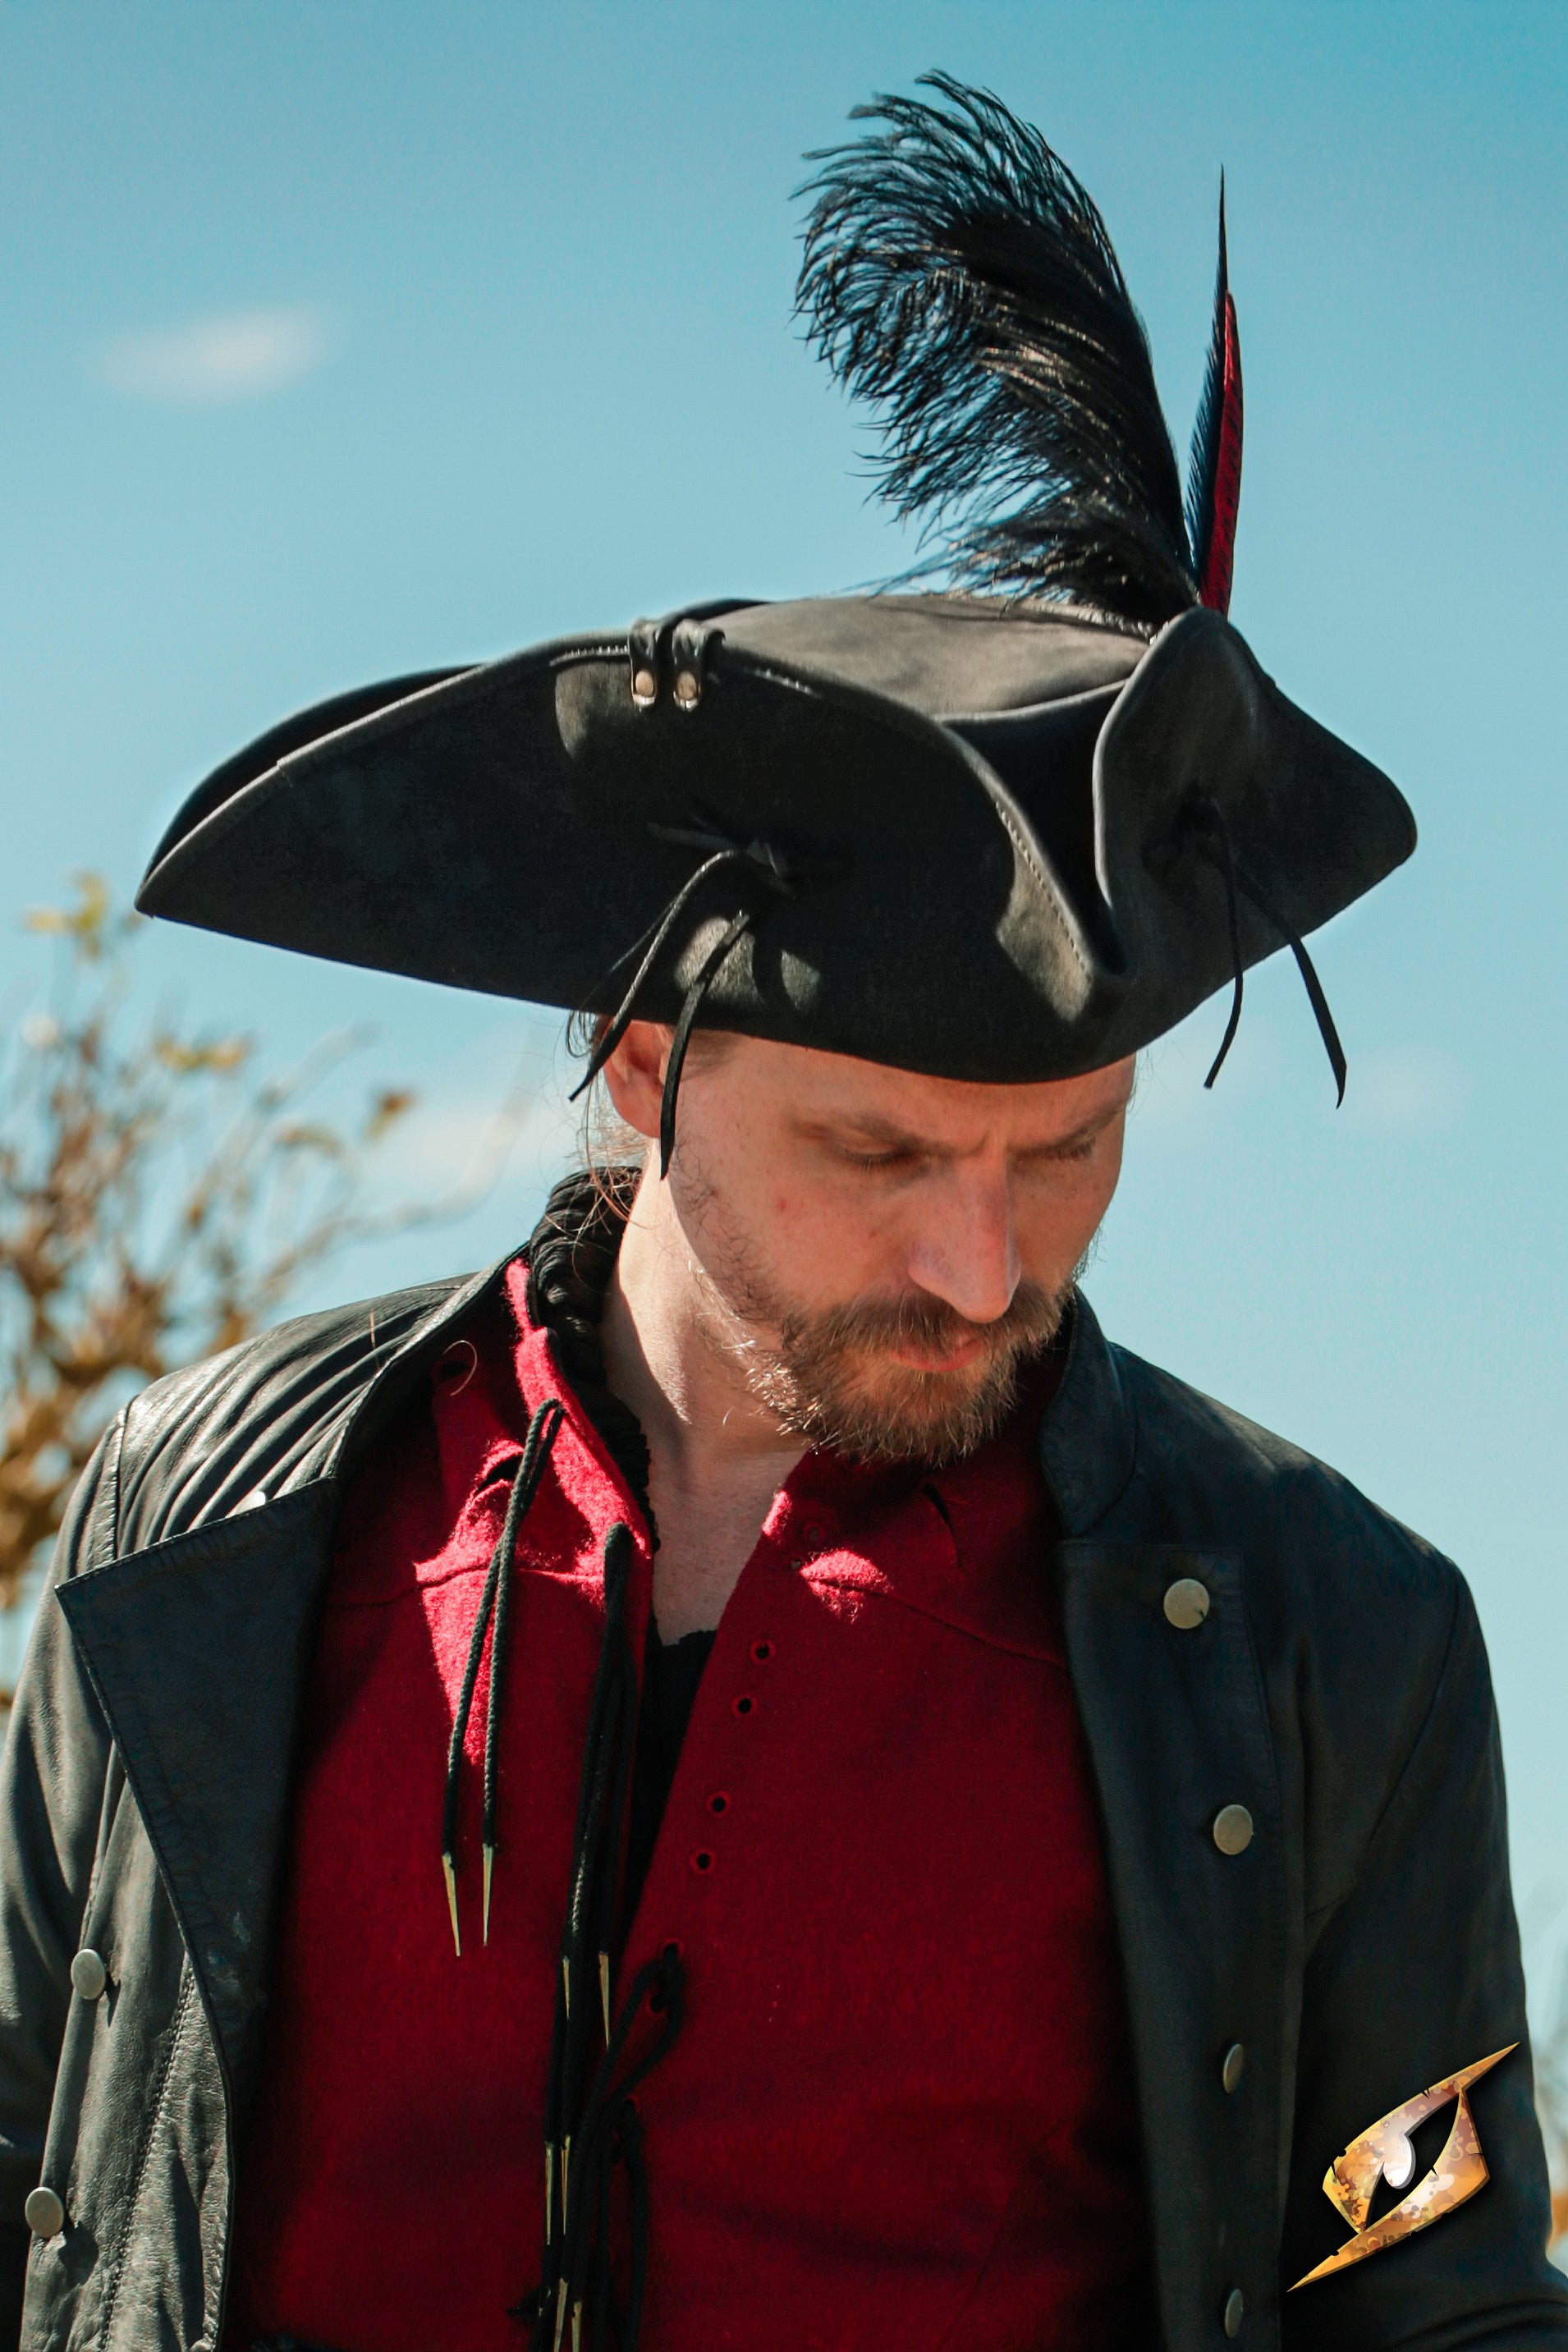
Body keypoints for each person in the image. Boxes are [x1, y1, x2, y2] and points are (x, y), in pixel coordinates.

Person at [2, 71, 1563, 2352]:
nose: (988, 1259)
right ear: (641, 1059)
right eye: (882, 1153)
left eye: (1069, 1148)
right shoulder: (196, 1534)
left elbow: (1432, 2305)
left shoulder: (1336, 1644)